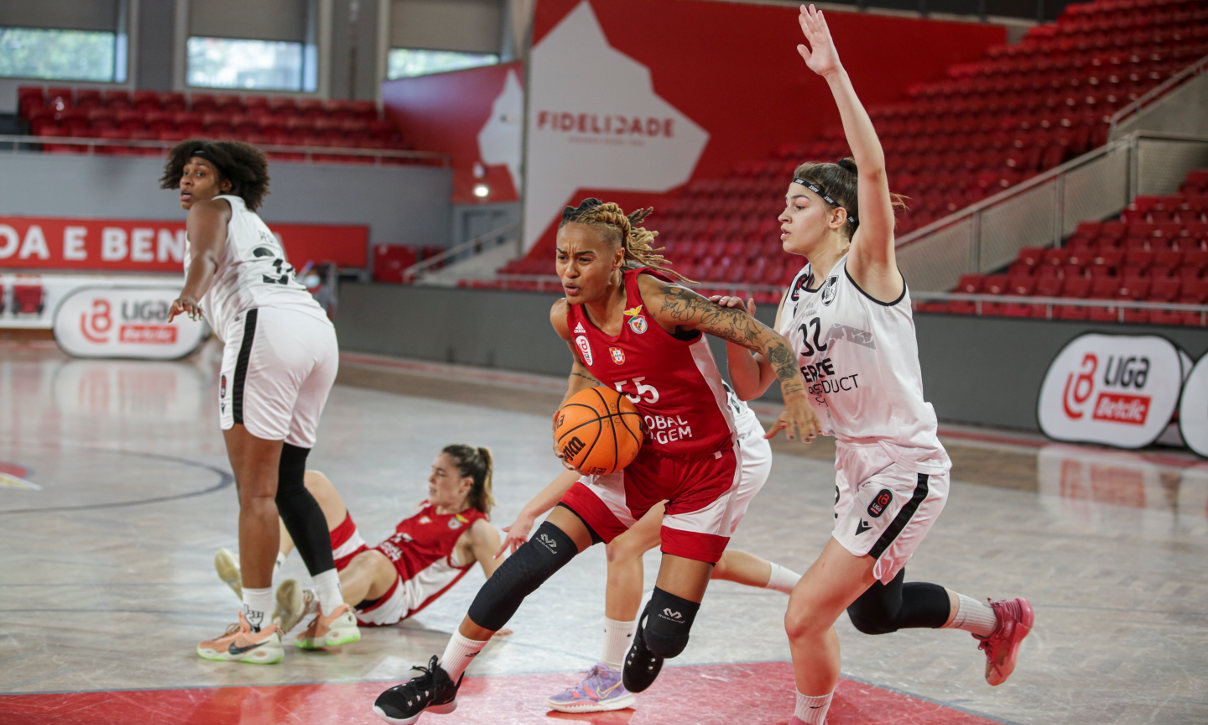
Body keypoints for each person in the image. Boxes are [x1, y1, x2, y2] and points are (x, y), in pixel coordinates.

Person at [371, 198, 820, 723]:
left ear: (616, 259)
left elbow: (764, 339)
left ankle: (654, 633)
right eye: (561, 257)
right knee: (532, 561)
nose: (568, 269)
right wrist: (571, 409)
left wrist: (794, 397)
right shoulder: (567, 316)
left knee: (666, 635)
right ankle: (444, 677)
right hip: (641, 459)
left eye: (584, 258)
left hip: (711, 465)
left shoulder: (661, 301)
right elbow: (585, 370)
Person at [725, 7, 1033, 723]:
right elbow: (754, 385)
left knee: (804, 616)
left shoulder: (870, 264)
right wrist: (734, 331)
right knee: (875, 612)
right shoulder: (794, 294)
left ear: (836, 215)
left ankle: (808, 717)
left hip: (903, 464)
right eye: (782, 203)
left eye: (797, 203)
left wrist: (834, 74)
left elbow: (871, 166)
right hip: (856, 466)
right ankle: (999, 618)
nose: (782, 215)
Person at [162, 139, 356, 665]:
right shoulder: (256, 224)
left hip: (267, 330)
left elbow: (202, 257)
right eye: (183, 172)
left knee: (256, 492)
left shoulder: (210, 210)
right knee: (289, 484)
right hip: (316, 331)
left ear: (225, 184)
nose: (187, 181)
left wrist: (190, 293)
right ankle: (334, 611)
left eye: (199, 173)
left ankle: (255, 627)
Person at [498, 383, 802, 713]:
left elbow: (595, 455)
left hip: (730, 454)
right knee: (702, 564)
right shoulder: (633, 356)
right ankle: (812, 590)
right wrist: (531, 510)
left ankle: (611, 678)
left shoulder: (633, 360)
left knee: (623, 547)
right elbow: (594, 460)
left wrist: (531, 510)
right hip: (724, 447)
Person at [214, 445, 506, 638]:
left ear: (466, 485)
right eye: (432, 470)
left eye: (440, 474)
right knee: (311, 485)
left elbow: (504, 585)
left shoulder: (477, 529)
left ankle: (306, 607)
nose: (430, 479)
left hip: (392, 598)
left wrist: (492, 623)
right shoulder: (430, 507)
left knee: (373, 560)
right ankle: (265, 573)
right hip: (368, 565)